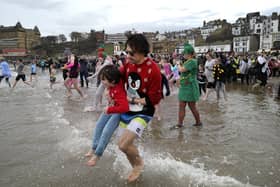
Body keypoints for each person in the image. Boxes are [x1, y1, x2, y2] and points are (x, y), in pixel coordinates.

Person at [118, 34, 162, 182]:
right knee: (122, 146)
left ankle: (139, 165)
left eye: (131, 53)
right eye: (126, 52)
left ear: (143, 52)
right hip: (127, 109)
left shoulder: (154, 69)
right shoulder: (128, 64)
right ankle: (136, 166)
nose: (128, 56)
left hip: (144, 112)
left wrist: (132, 99)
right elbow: (120, 78)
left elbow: (154, 99)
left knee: (124, 144)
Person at [85, 65, 129, 166]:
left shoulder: (119, 91)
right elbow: (123, 67)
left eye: (104, 80)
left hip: (117, 113)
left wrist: (110, 108)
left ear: (113, 81)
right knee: (98, 126)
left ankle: (97, 155)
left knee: (106, 132)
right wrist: (109, 99)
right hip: (110, 108)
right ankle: (94, 147)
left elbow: (125, 107)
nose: (102, 82)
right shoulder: (110, 85)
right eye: (101, 79)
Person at [170, 43, 202, 129]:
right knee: (181, 105)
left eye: (185, 53)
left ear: (190, 54)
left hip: (190, 86)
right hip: (184, 86)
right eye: (184, 53)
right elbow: (183, 74)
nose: (184, 55)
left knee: (192, 106)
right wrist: (176, 80)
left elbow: (182, 69)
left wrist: (177, 64)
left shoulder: (192, 61)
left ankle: (198, 122)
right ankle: (179, 124)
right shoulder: (187, 61)